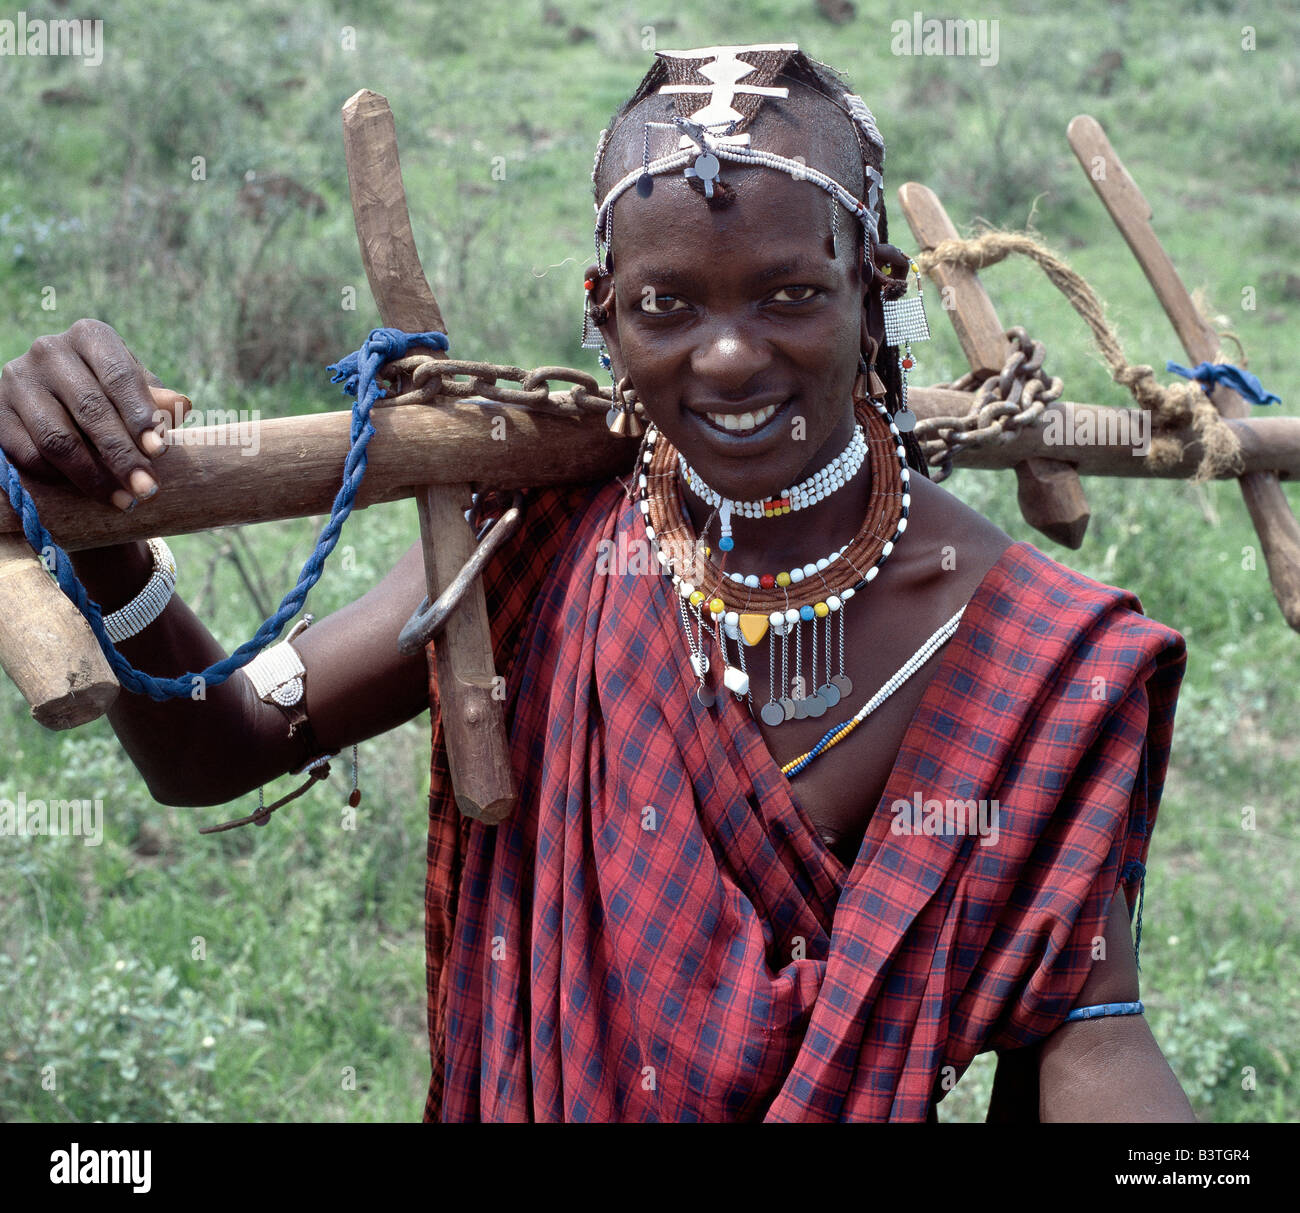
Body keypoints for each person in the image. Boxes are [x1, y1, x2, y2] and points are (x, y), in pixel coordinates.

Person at [0, 43, 1193, 1122]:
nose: (727, 356)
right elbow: (220, 746)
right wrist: (101, 525)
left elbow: (1089, 1028)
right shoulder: (536, 543)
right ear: (603, 314)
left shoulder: (1034, 650)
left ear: (871, 287)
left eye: (790, 294)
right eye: (664, 305)